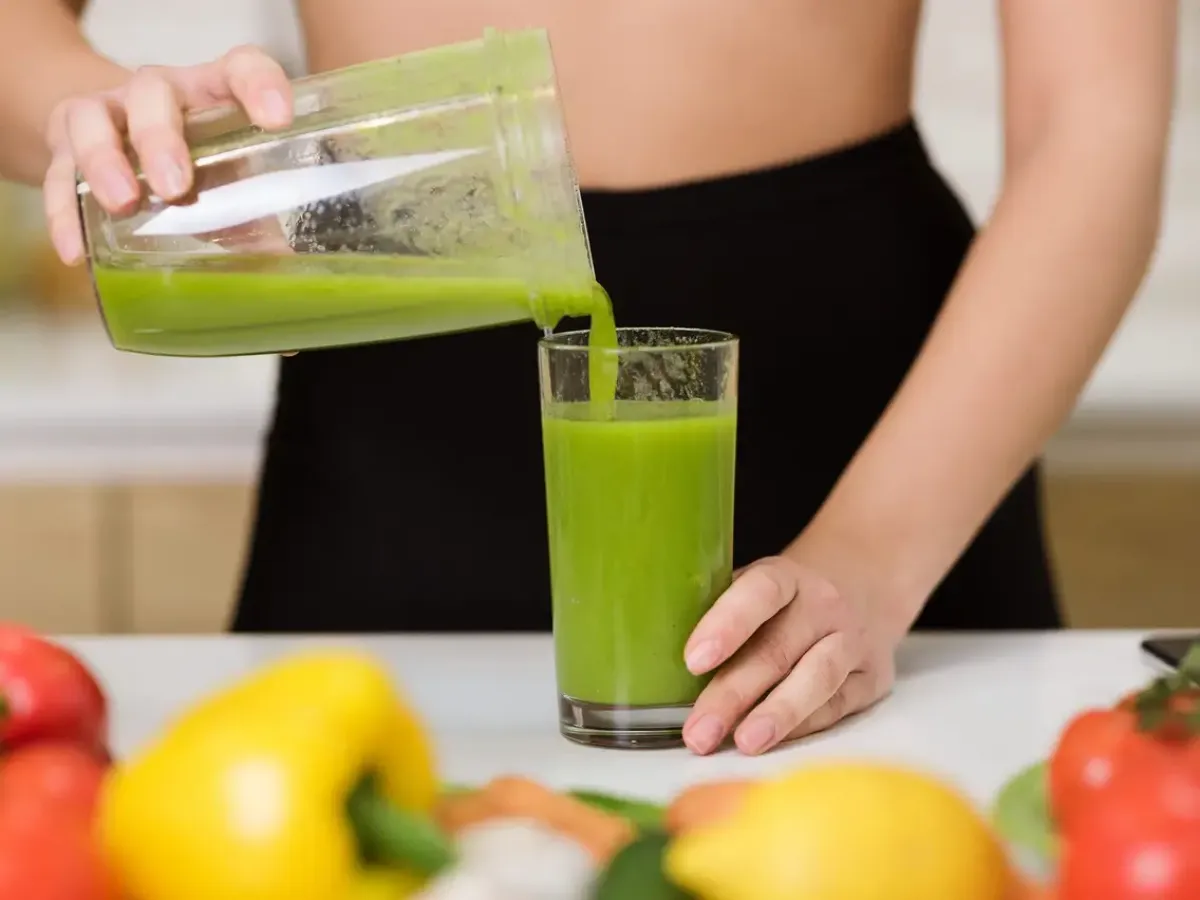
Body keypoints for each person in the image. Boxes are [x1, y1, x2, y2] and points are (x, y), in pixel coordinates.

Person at [0, 0, 1177, 756]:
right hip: (395, 397)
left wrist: (872, 557)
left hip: (883, 430)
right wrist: (97, 120)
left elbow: (1094, 124)